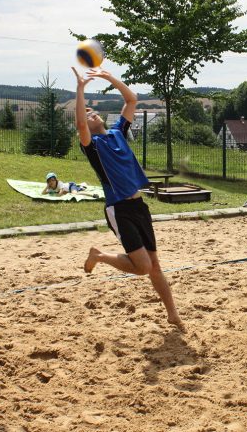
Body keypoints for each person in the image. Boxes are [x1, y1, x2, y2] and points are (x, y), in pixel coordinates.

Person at [71, 66, 183, 329]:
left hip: (139, 206)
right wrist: (80, 89)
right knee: (143, 267)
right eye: (87, 114)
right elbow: (79, 124)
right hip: (119, 209)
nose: (91, 114)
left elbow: (131, 99)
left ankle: (172, 313)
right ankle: (99, 256)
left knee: (154, 265)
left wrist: (108, 78)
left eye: (93, 111)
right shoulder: (92, 146)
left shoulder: (117, 133)